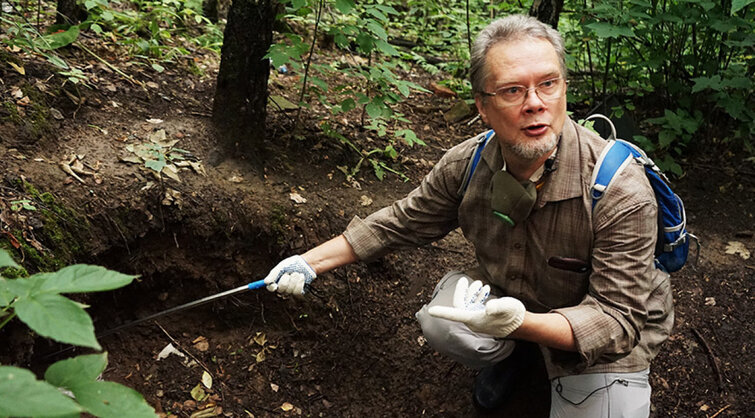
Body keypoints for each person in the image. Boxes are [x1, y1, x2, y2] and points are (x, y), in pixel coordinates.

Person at [263, 14, 673, 417]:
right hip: (511, 296)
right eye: (513, 91)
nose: (535, 104)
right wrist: (308, 262)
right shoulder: (468, 163)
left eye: (548, 84)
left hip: (602, 330)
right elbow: (401, 222)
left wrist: (521, 323)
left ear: (564, 88)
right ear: (482, 106)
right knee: (444, 324)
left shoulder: (618, 189)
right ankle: (513, 355)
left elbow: (617, 319)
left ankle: (529, 344)